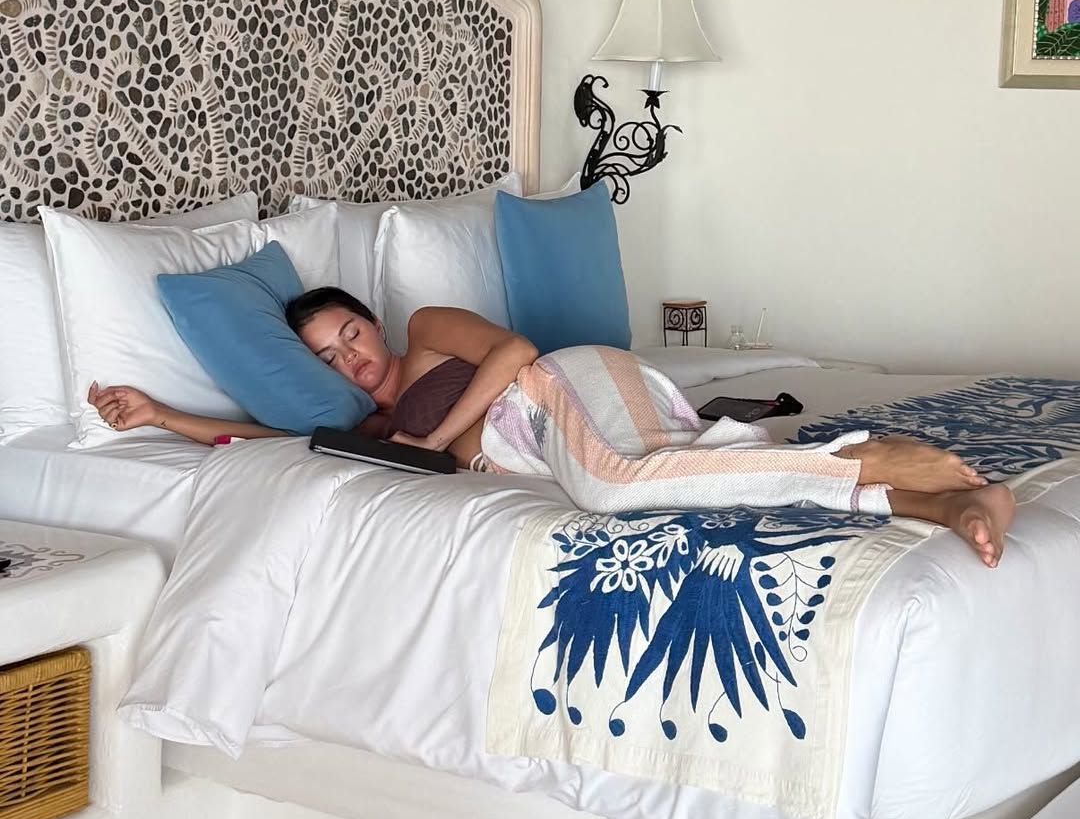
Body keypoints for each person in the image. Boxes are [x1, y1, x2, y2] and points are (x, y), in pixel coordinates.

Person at [89, 290, 1016, 566]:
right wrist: (160, 414)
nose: (350, 359)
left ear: (372, 319)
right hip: (551, 440)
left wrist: (431, 440)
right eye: (327, 358)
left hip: (556, 384)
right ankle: (938, 506)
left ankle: (857, 462)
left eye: (350, 335)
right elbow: (269, 447)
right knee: (688, 498)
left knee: (614, 488)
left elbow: (517, 351)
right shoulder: (366, 425)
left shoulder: (425, 333)